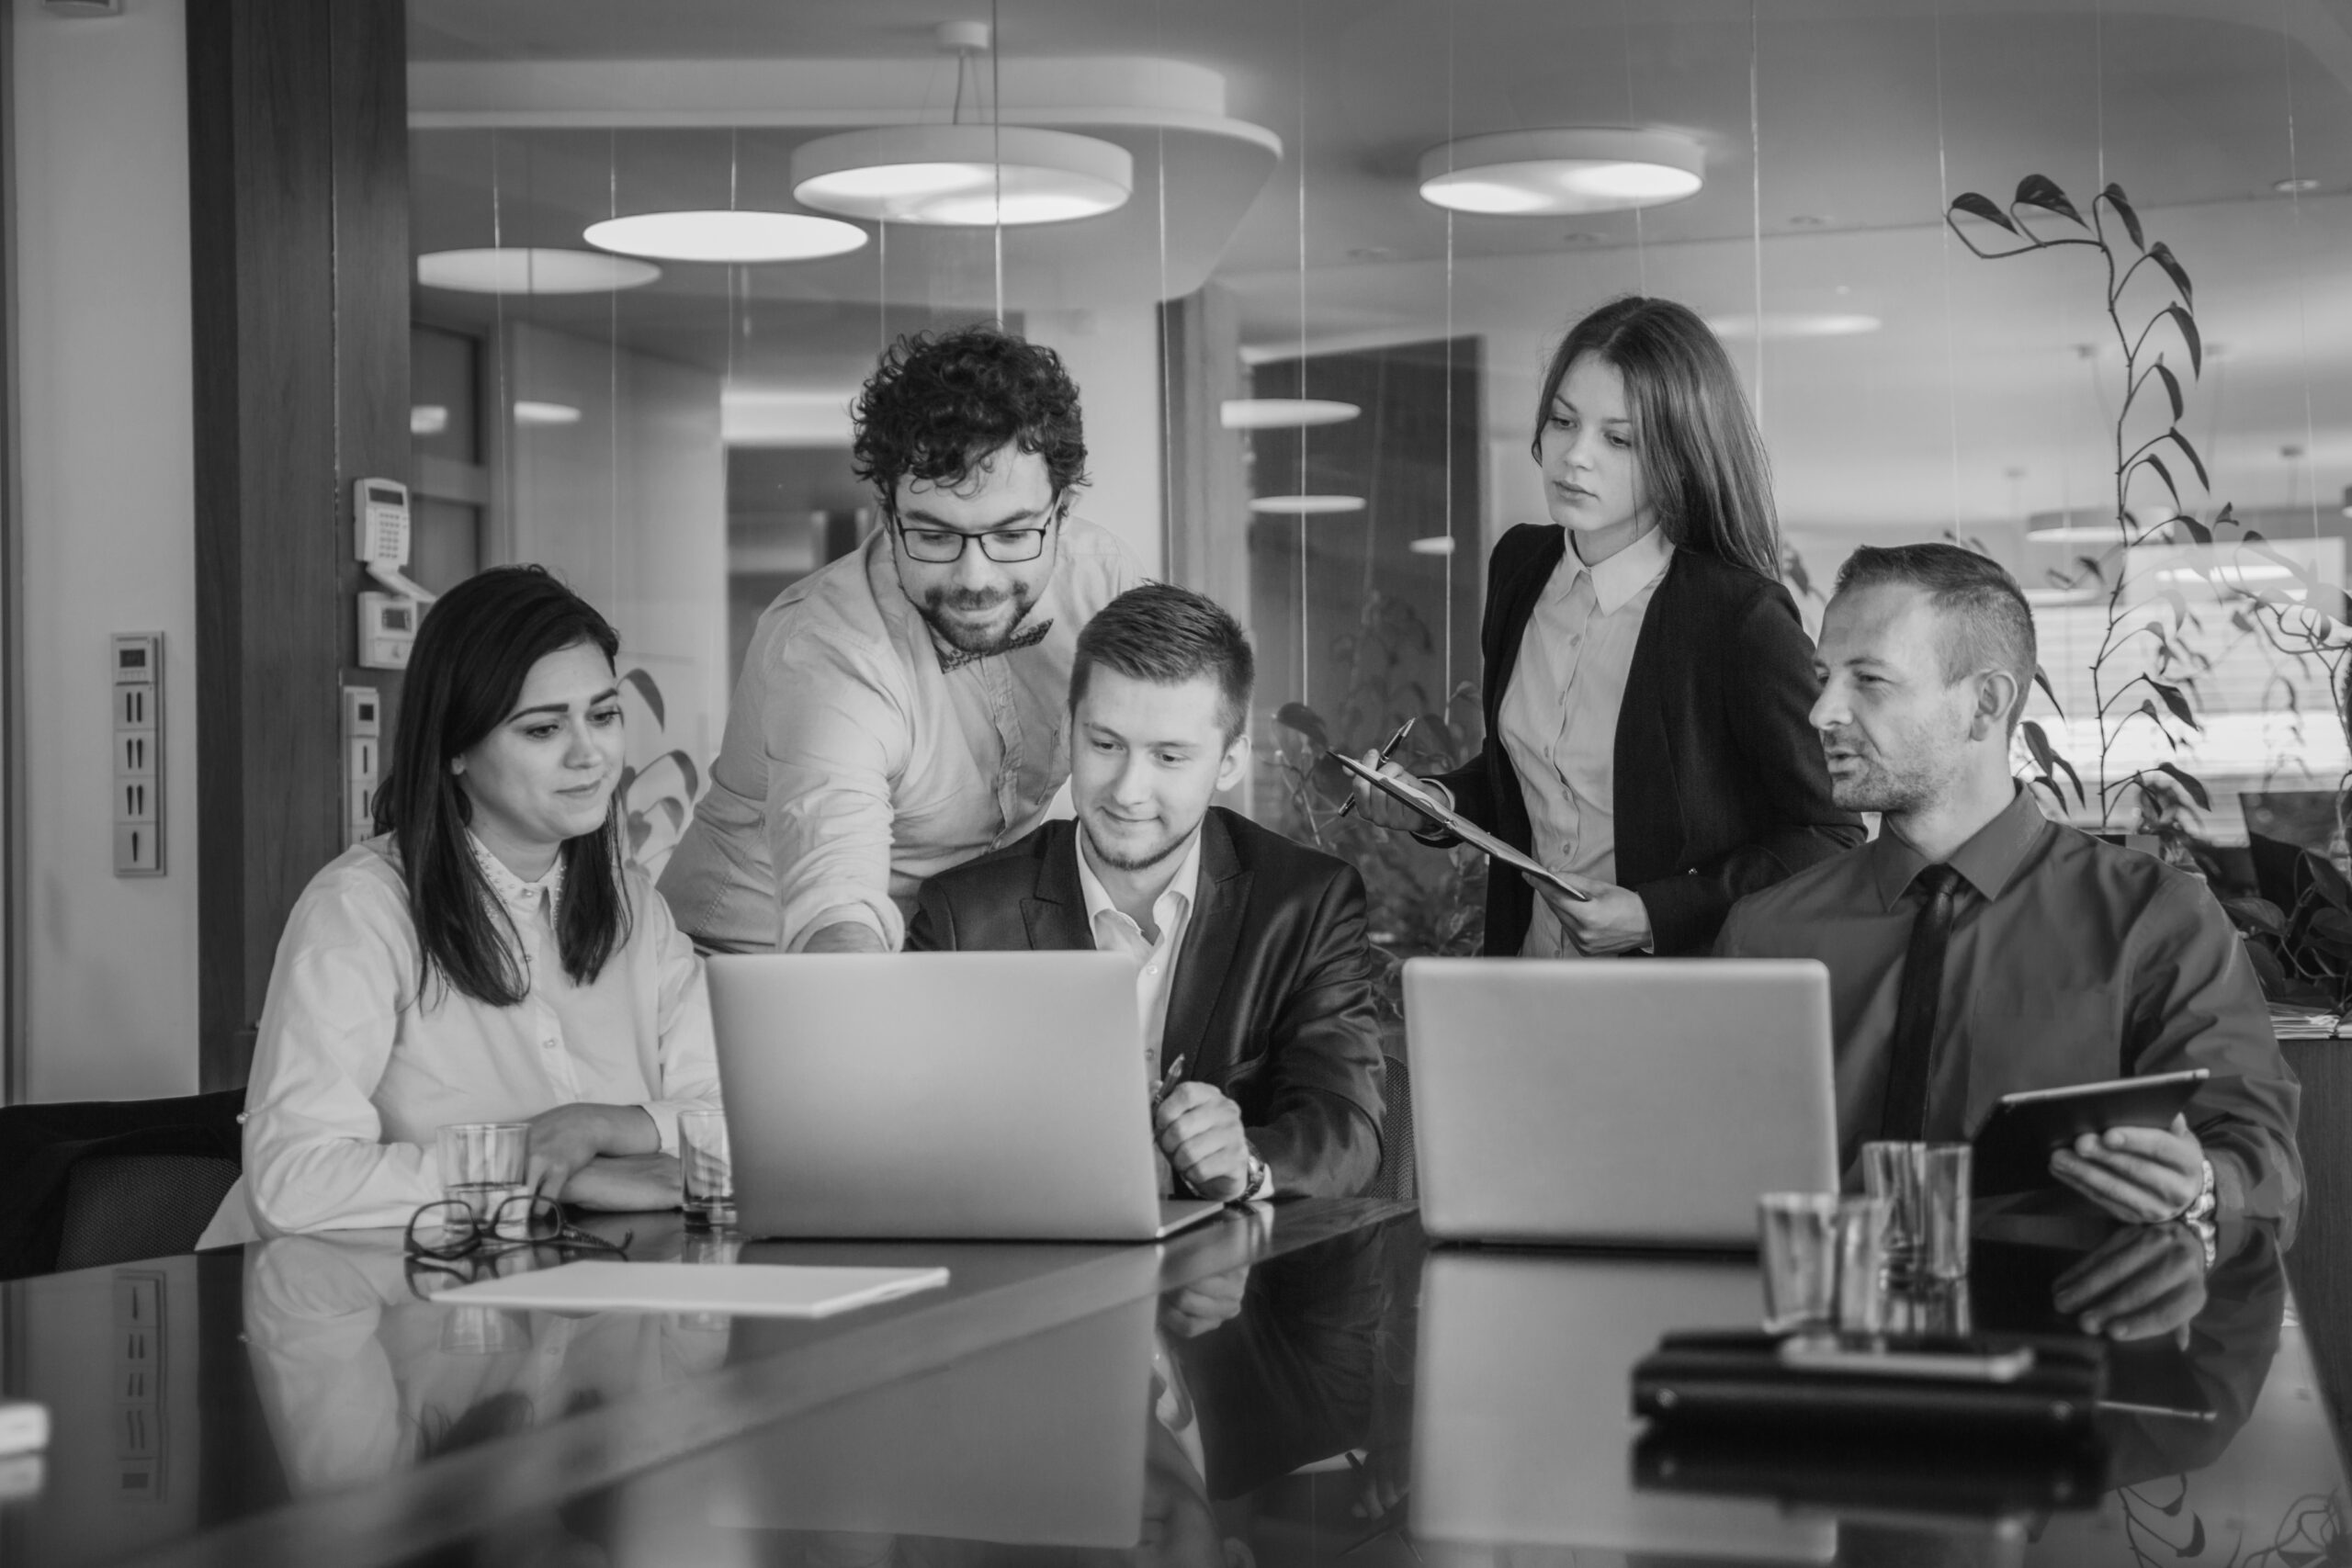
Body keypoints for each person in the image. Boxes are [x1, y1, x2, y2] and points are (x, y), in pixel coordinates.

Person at [1718, 543, 2302, 1235]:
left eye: (1868, 679)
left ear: (1984, 703)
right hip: (1819, 1296)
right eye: (1823, 678)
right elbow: (1703, 1160)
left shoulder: (2156, 916)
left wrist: (2199, 1184)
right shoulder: (1763, 934)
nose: (1821, 712)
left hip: (2069, 1296)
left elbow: (2261, 1158)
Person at [1355, 296, 1860, 957]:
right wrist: (1434, 801)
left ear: (1680, 455)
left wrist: (1656, 914)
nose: (1574, 456)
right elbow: (1531, 775)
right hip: (1528, 972)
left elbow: (1831, 836)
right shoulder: (1520, 567)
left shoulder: (1737, 615)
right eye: (1563, 421)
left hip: (1669, 996)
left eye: (1618, 439)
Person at [230, 566, 720, 1236]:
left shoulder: (634, 906)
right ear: (456, 747)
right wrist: (534, 1174)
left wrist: (600, 1127)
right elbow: (293, 1181)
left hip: (568, 1276)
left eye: (603, 716)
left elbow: (737, 1116)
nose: (589, 755)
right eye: (543, 729)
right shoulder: (361, 909)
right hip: (349, 1290)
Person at [660, 324, 1148, 954]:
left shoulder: (1102, 581)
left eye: (1012, 534)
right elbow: (836, 903)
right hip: (749, 968)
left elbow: (1169, 757)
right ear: (887, 516)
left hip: (941, 952)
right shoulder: (830, 648)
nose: (976, 579)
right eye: (935, 536)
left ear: (1063, 511)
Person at [907, 583, 1385, 1201]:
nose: (1128, 790)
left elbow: (1346, 1129)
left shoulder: (1307, 904)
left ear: (1230, 761)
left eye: (1169, 757)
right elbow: (910, 1135)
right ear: (1069, 731)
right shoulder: (961, 916)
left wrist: (1247, 1161)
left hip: (1238, 1259)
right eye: (1105, 745)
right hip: (1032, 1252)